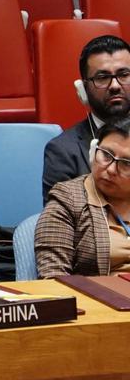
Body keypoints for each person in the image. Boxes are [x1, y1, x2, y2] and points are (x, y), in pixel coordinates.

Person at [36, 118, 130, 278]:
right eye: (106, 155)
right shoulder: (67, 199)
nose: (111, 169)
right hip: (99, 293)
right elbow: (53, 276)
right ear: (93, 152)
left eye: (126, 163)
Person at [42, 35, 130, 203]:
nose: (115, 86)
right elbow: (58, 216)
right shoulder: (63, 151)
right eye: (102, 78)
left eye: (124, 74)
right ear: (83, 89)